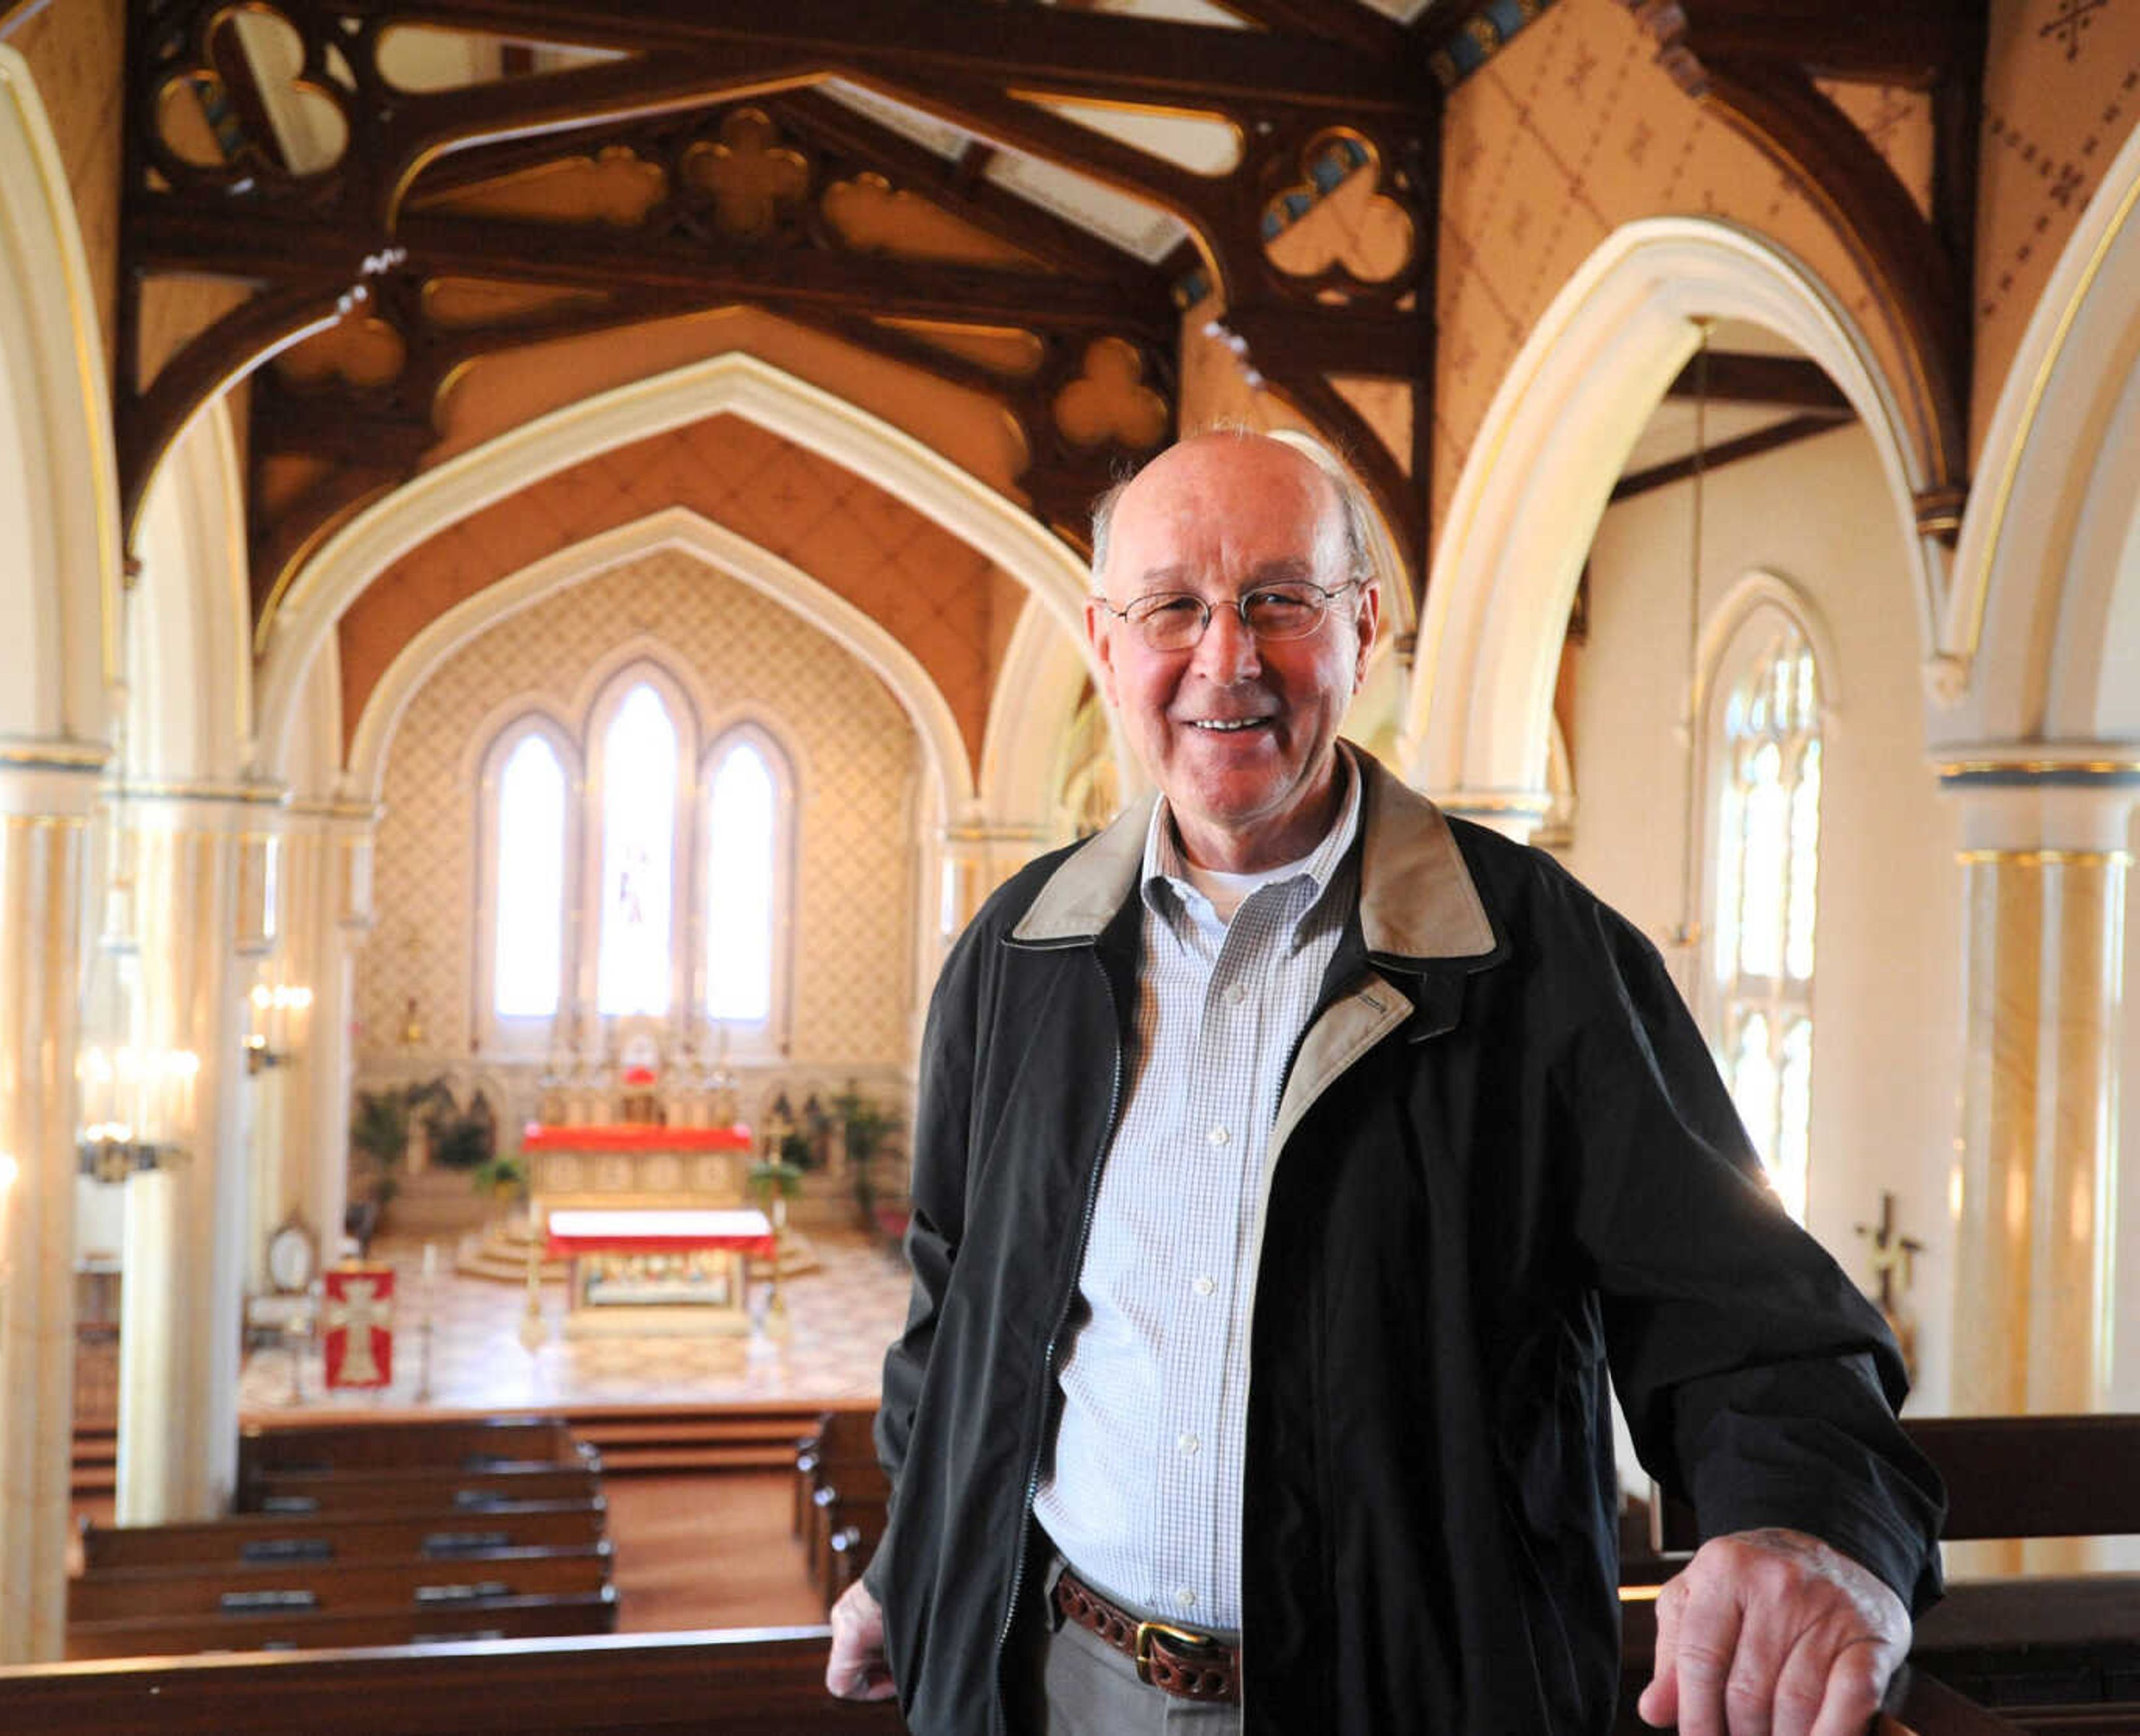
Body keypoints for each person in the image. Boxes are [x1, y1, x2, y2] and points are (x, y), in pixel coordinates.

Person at [823, 431, 1942, 1734]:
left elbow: (1755, 1327)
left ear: (1363, 628)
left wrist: (1811, 1533)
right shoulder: (1019, 954)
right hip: (1058, 1682)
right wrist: (912, 1574)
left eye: (1279, 601)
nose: (1225, 660)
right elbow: (957, 1314)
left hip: (1406, 1695)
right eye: (1173, 606)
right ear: (1105, 640)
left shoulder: (1542, 960)